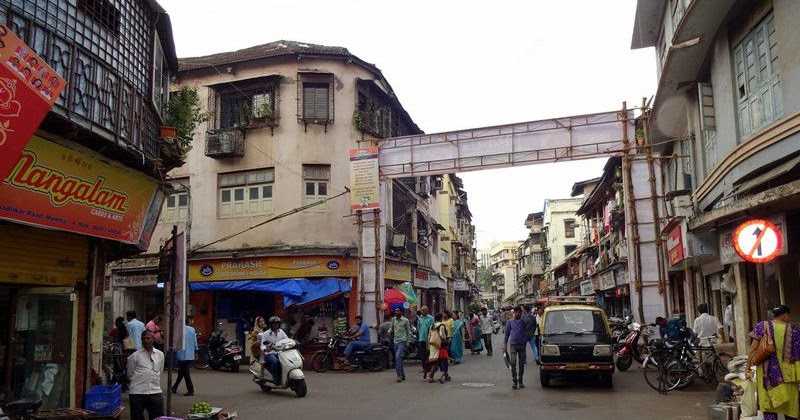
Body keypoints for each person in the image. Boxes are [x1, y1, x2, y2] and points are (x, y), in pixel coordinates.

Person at [747, 305, 800, 420]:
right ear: (785, 315)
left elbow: (752, 349)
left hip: (767, 376)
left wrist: (748, 368)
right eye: (788, 315)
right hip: (789, 376)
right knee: (790, 410)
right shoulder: (795, 330)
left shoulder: (762, 326)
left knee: (769, 408)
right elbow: (798, 356)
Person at [127, 330, 165, 420]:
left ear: (153, 339)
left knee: (158, 418)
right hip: (137, 393)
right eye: (143, 339)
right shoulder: (134, 356)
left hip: (155, 392)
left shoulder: (160, 355)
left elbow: (160, 371)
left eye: (148, 338)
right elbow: (130, 374)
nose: (146, 341)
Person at [172, 316, 198, 396]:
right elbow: (195, 341)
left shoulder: (179, 330)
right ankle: (175, 387)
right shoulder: (192, 329)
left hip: (181, 354)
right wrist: (196, 351)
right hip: (190, 354)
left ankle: (191, 390)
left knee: (185, 373)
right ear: (189, 322)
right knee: (182, 372)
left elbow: (175, 341)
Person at [504, 306, 528, 389]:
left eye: (519, 312)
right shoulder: (510, 322)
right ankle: (514, 380)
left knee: (521, 364)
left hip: (522, 345)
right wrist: (504, 345)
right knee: (513, 362)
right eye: (516, 312)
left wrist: (526, 339)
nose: (518, 314)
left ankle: (520, 381)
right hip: (513, 345)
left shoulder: (524, 321)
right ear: (514, 312)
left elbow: (530, 327)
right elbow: (506, 334)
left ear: (521, 313)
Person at [260, 316, 288, 382]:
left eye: (277, 323)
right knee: (276, 362)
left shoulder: (281, 332)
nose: (276, 325)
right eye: (274, 324)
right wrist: (266, 348)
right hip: (269, 353)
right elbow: (262, 346)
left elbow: (287, 339)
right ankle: (275, 378)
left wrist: (291, 342)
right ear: (271, 324)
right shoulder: (266, 333)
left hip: (280, 352)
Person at [389, 308, 412, 382]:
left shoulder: (405, 320)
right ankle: (403, 375)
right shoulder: (393, 320)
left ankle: (399, 376)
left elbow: (408, 331)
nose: (396, 312)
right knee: (399, 360)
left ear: (401, 312)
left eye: (398, 311)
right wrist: (388, 331)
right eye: (395, 311)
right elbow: (391, 328)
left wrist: (408, 342)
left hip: (403, 341)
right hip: (395, 341)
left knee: (397, 358)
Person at [427, 313, 450, 384]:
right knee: (444, 360)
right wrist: (446, 341)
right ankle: (444, 376)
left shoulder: (432, 325)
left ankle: (431, 376)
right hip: (440, 346)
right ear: (441, 318)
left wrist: (428, 346)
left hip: (433, 345)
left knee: (435, 362)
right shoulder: (442, 325)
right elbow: (442, 336)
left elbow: (429, 336)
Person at [416, 306, 434, 376]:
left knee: (428, 354)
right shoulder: (420, 319)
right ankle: (424, 368)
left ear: (427, 311)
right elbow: (418, 328)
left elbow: (432, 328)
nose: (423, 312)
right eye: (422, 310)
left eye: (424, 310)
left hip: (428, 339)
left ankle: (428, 367)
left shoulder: (431, 318)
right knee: (422, 355)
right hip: (421, 339)